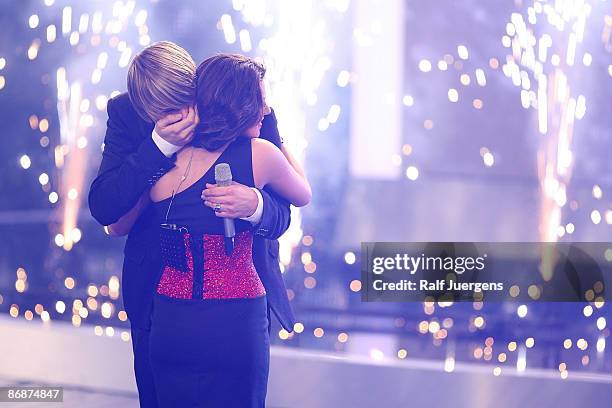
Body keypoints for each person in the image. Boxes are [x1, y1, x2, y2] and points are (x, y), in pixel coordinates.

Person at [88, 42, 296, 407]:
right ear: (144, 107)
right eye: (161, 111)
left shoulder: (238, 100)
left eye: (185, 103)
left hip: (240, 300)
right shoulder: (126, 113)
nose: (180, 116)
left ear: (195, 85)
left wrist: (256, 205)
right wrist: (157, 146)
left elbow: (286, 209)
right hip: (157, 295)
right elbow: (105, 207)